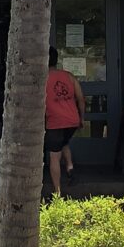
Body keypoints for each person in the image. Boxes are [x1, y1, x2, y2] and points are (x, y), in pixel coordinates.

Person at [45, 46, 85, 196]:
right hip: (71, 120)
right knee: (63, 142)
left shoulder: (42, 79)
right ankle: (69, 166)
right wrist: (81, 117)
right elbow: (81, 99)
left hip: (54, 121)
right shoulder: (69, 76)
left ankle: (57, 193)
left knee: (54, 156)